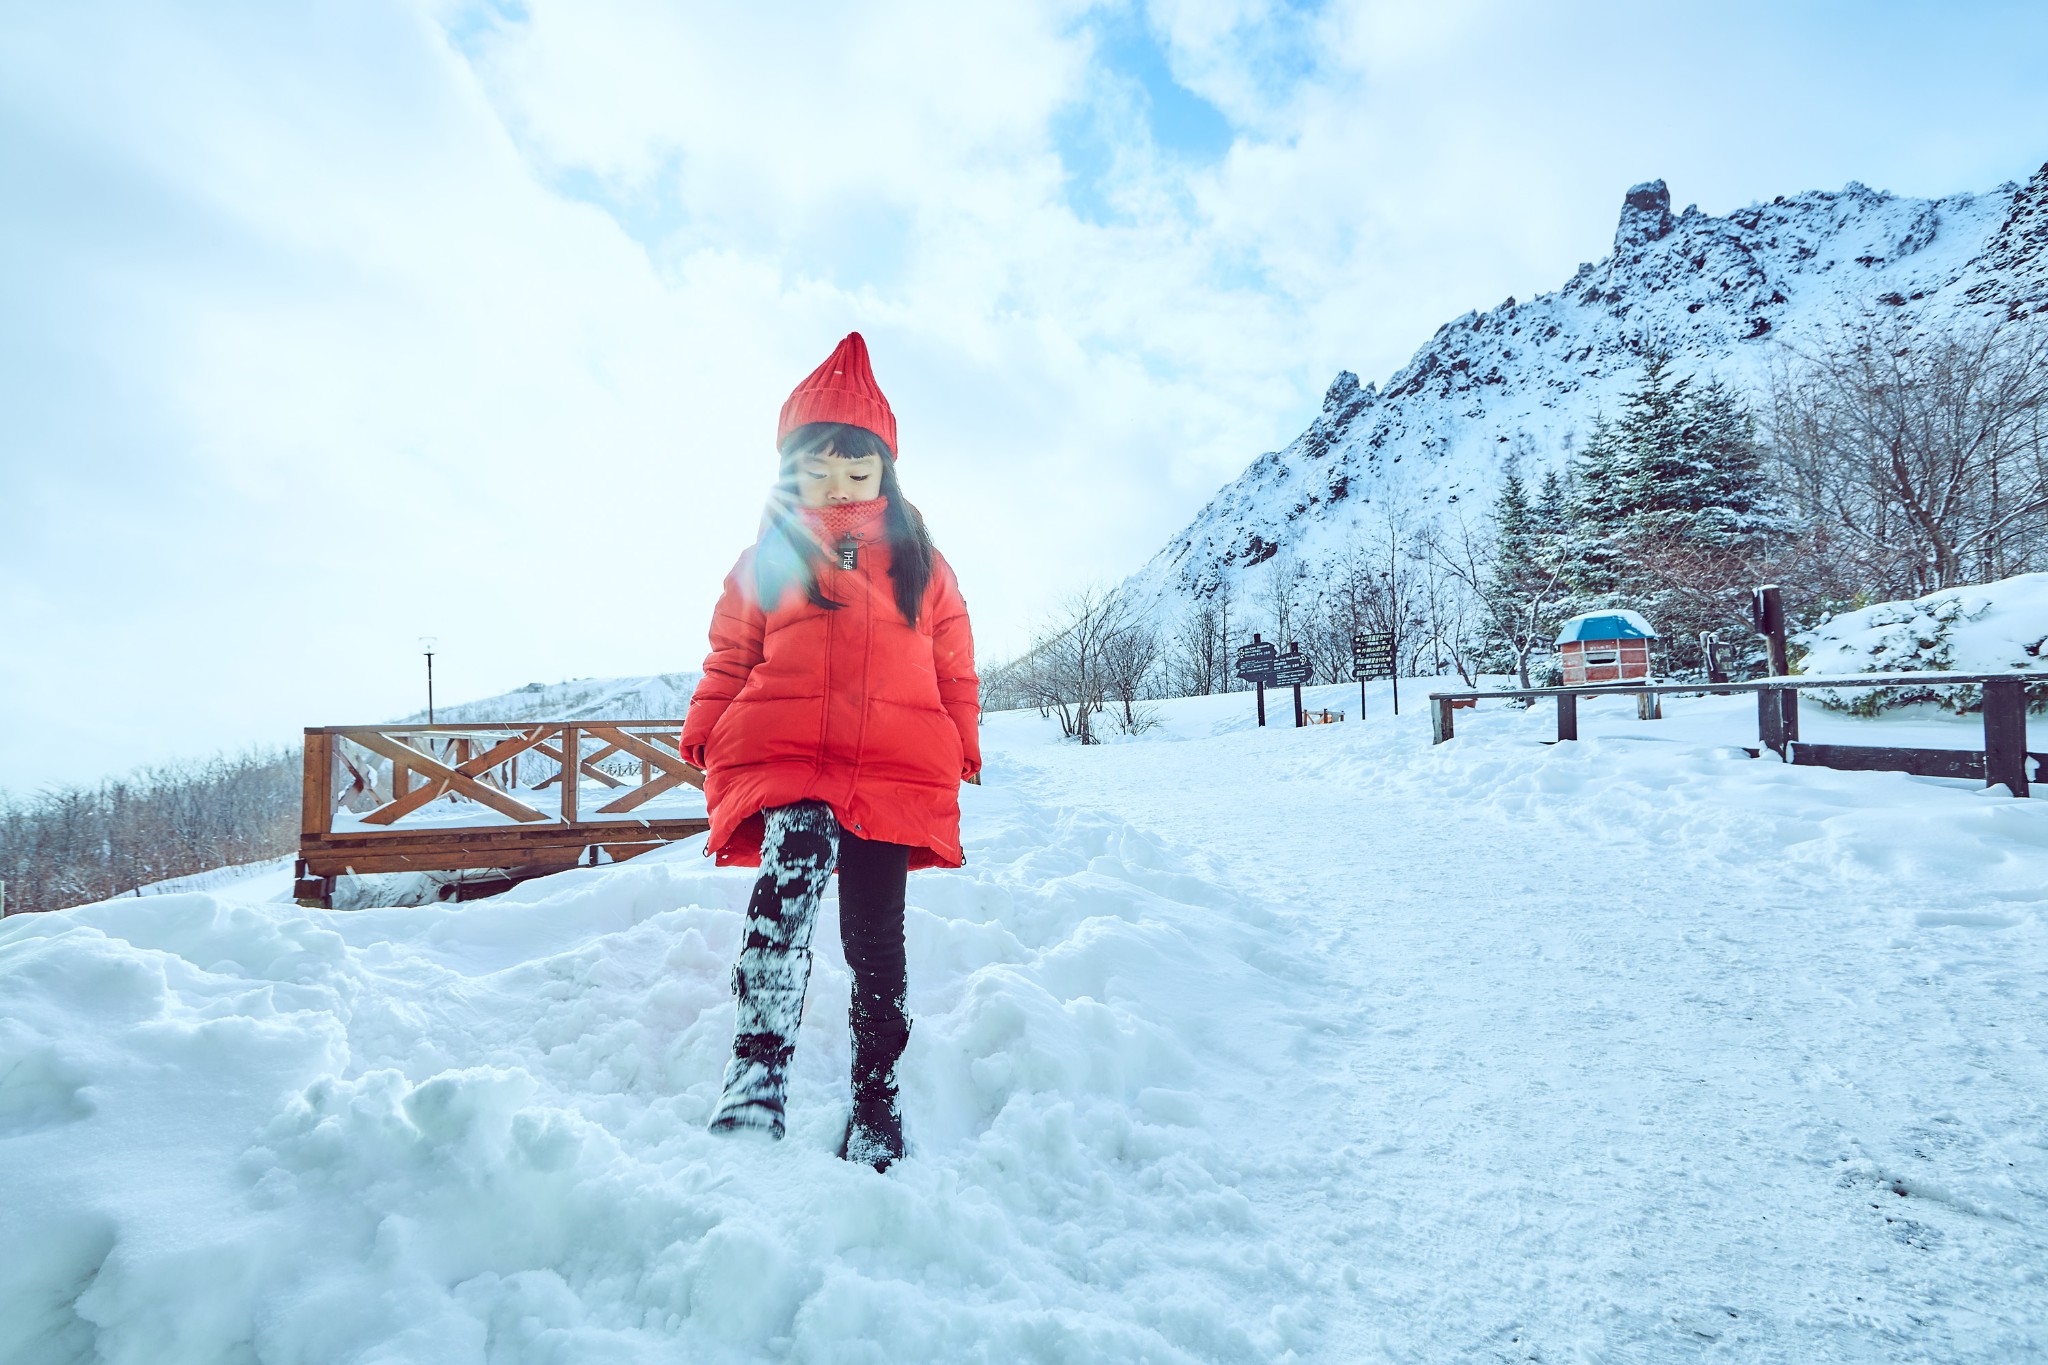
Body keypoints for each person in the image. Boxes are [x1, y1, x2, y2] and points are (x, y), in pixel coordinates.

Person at [678, 332, 980, 1172]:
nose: (837, 487)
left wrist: (963, 734)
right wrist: (707, 719)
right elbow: (730, 653)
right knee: (788, 883)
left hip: (890, 765)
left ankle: (875, 1095)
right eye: (817, 471)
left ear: (885, 474)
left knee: (875, 937)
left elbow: (954, 659)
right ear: (788, 474)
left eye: (857, 472)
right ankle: (757, 1069)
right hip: (790, 759)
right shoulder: (764, 561)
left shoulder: (923, 563)